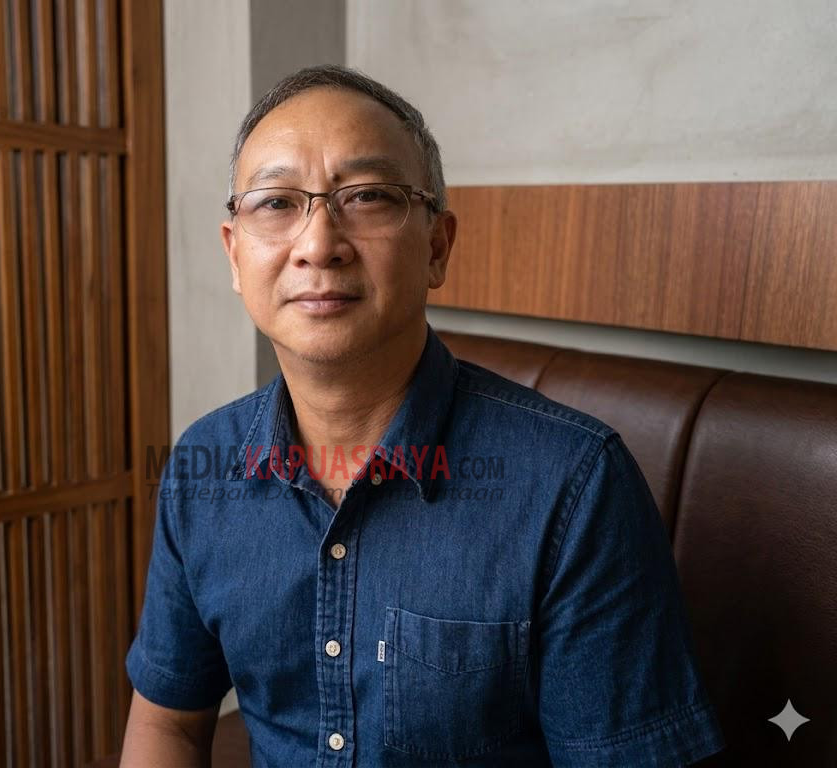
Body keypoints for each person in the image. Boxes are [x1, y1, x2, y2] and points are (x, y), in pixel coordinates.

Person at [119, 65, 725, 767]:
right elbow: (167, 723)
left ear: (436, 247)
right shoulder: (204, 468)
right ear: (234, 254)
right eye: (277, 202)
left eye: (367, 196)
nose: (317, 244)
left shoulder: (576, 486)